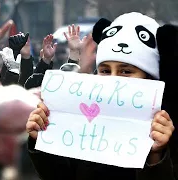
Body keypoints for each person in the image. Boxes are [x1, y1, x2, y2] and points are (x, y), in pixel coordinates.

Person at [26, 12, 177, 180]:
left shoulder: (166, 130)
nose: (113, 79)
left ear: (150, 78)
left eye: (126, 71)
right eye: (105, 71)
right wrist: (42, 140)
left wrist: (156, 156)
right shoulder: (81, 121)